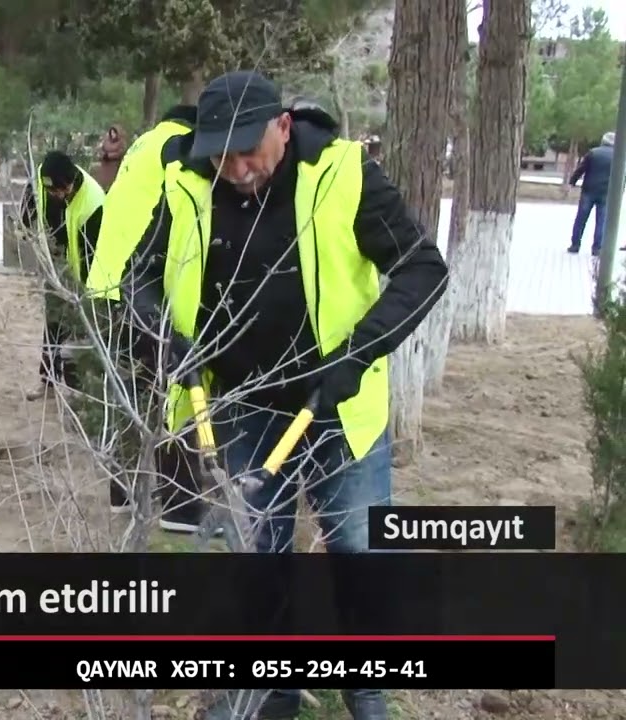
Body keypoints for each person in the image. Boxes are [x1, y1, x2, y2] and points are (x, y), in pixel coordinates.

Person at [121, 71, 447, 720]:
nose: (235, 167)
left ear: (283, 126)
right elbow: (140, 278)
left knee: (356, 551)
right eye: (222, 152)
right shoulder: (190, 183)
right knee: (259, 553)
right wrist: (169, 341)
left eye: (248, 150)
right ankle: (270, 693)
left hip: (336, 410)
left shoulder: (343, 174)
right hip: (243, 406)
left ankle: (367, 693)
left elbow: (422, 268)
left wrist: (358, 354)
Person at [80, 104, 197, 516]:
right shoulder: (179, 147)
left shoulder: (143, 146)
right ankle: (180, 504)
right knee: (170, 393)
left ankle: (123, 495)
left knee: (126, 394)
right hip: (138, 288)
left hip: (105, 286)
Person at [19, 151, 105, 401]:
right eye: (52, 191)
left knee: (81, 332)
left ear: (71, 182)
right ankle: (47, 382)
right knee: (53, 324)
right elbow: (31, 203)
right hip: (56, 263)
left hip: (83, 272)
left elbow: (93, 255)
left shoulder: (94, 203)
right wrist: (26, 226)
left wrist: (85, 292)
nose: (56, 195)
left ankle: (83, 394)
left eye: (60, 191)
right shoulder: (43, 181)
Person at [568, 131, 614, 255]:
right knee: (601, 221)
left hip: (588, 190)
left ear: (603, 141)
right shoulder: (618, 156)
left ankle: (575, 245)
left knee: (581, 219)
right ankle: (597, 248)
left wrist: (572, 182)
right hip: (606, 193)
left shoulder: (593, 152)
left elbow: (581, 169)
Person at [91, 125, 127, 190]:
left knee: (112, 183)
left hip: (114, 165)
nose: (113, 134)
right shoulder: (107, 141)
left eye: (114, 133)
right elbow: (102, 149)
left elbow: (120, 152)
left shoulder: (121, 143)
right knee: (103, 182)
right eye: (111, 133)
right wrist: (103, 155)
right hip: (105, 164)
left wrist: (109, 155)